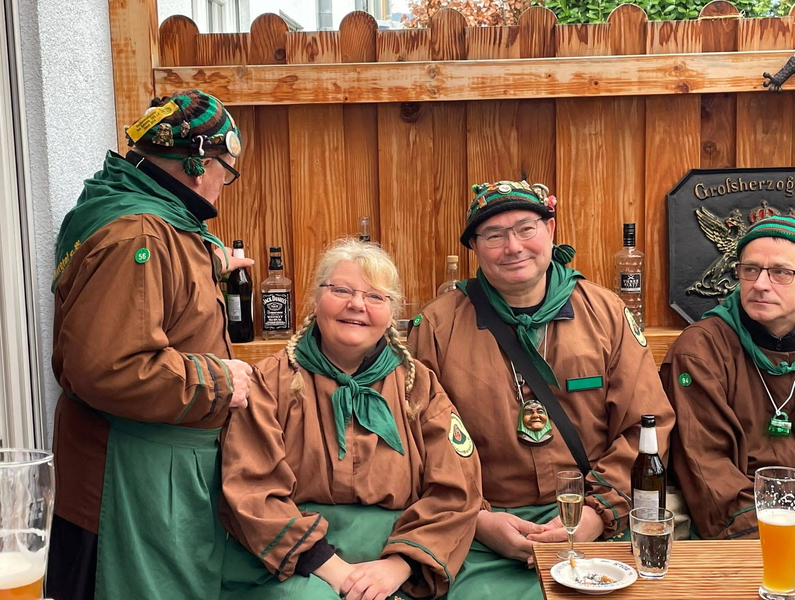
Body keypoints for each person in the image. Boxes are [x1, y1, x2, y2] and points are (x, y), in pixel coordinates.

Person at [408, 180, 675, 599]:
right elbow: (418, 444)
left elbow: (646, 429)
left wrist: (597, 512)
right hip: (481, 531)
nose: (513, 247)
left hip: (600, 519)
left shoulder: (607, 314)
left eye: (526, 228)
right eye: (493, 235)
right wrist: (477, 519)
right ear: (475, 248)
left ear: (550, 229)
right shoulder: (436, 327)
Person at [47, 90, 255, 600]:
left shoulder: (137, 214)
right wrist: (221, 380)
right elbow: (111, 366)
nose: (222, 187)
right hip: (129, 483)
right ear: (198, 165)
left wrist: (209, 259)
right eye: (225, 173)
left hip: (148, 474)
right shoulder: (138, 236)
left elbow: (150, 290)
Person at [220, 238, 482, 600]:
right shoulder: (269, 382)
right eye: (341, 290)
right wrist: (338, 573)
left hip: (400, 554)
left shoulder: (418, 384)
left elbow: (457, 491)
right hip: (290, 563)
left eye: (375, 296)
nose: (357, 304)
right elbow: (250, 490)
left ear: (391, 313)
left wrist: (398, 565)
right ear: (316, 300)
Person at [661, 214, 795, 540]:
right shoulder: (700, 350)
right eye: (750, 270)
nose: (760, 284)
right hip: (747, 522)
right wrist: (763, 533)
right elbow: (706, 466)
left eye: (781, 272)